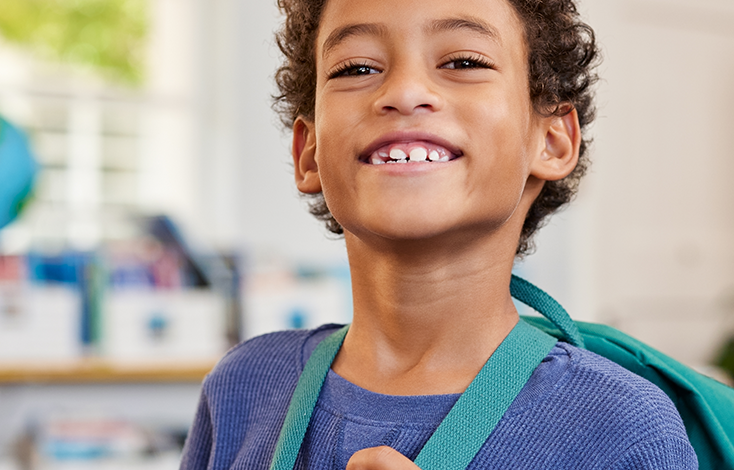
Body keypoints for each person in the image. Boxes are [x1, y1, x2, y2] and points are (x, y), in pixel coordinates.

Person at [180, 0, 699, 468]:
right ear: (307, 152)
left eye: (464, 63)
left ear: (552, 139)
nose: (404, 92)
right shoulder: (241, 390)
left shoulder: (622, 428)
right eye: (357, 68)